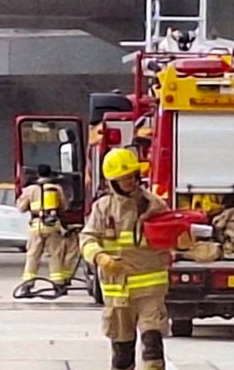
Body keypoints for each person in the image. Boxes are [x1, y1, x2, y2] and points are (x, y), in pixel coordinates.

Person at [80, 148, 172, 370]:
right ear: (113, 182)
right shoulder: (103, 208)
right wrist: (101, 258)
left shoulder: (153, 205)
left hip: (150, 290)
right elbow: (86, 239)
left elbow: (171, 235)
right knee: (122, 353)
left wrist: (183, 239)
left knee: (152, 346)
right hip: (117, 292)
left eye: (132, 176)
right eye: (123, 178)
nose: (129, 182)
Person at [17, 164, 68, 289]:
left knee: (33, 255)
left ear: (37, 174)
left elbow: (21, 208)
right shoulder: (56, 188)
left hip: (37, 226)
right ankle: (58, 283)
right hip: (53, 226)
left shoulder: (30, 190)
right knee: (55, 255)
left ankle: (28, 283)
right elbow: (64, 206)